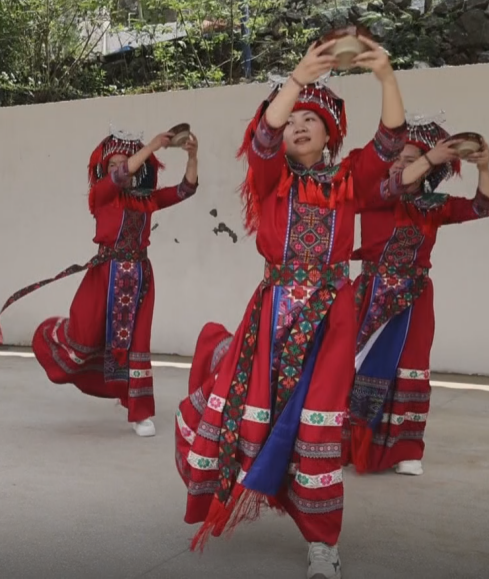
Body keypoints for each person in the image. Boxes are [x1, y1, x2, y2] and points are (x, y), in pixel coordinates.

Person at [174, 37, 407, 579]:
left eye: (311, 120)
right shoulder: (271, 179)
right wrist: (298, 79)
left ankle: (323, 543)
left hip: (333, 319)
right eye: (292, 120)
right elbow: (262, 138)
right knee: (253, 416)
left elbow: (390, 142)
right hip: (272, 315)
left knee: (319, 426)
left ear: (330, 134)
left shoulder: (351, 179)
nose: (298, 126)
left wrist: (386, 76)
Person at [0, 128, 199, 436]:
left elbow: (185, 190)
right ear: (104, 169)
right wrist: (152, 146)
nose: (120, 168)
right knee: (86, 336)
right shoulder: (102, 195)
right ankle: (54, 336)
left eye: (125, 162)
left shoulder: (146, 200)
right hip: (104, 275)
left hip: (140, 279)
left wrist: (192, 156)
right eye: (113, 164)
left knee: (137, 343)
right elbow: (119, 178)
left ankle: (139, 411)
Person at [347, 114, 489, 477]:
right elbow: (390, 183)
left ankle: (405, 449)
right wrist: (427, 157)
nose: (400, 164)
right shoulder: (374, 195)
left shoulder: (435, 205)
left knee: (410, 369)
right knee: (359, 367)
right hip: (371, 293)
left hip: (415, 298)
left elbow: (483, 206)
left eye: (411, 159)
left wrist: (484, 167)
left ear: (429, 169)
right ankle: (352, 444)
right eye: (396, 157)